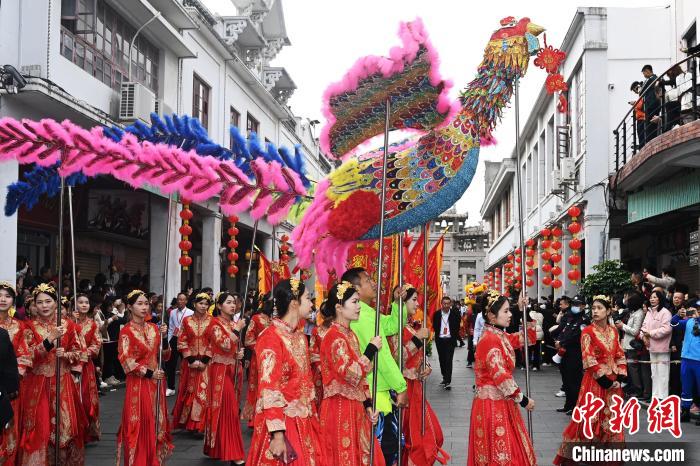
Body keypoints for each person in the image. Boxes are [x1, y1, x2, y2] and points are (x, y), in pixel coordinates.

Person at [247, 278, 323, 466]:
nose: (312, 304)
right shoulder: (270, 337)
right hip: (283, 422)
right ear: (294, 302)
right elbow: (269, 387)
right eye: (308, 298)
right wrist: (278, 435)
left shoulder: (299, 336)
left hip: (305, 420)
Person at [343, 268, 408, 466]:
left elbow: (392, 325)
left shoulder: (368, 312)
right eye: (368, 279)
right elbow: (383, 356)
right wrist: (401, 386)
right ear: (356, 288)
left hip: (376, 390)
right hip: (375, 393)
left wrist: (397, 303)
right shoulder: (362, 316)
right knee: (384, 450)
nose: (374, 282)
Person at [554, 296, 627, 465]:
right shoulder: (587, 331)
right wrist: (605, 381)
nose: (595, 311)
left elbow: (619, 354)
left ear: (608, 311)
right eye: (593, 308)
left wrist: (621, 377)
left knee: (611, 417)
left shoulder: (614, 331)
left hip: (614, 381)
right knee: (590, 417)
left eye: (599, 308)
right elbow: (588, 359)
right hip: (595, 382)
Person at [19, 283, 87, 465]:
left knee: (65, 430)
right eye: (39, 302)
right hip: (37, 385)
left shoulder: (68, 325)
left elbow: (80, 353)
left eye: (48, 301)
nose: (44, 305)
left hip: (63, 383)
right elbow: (27, 356)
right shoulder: (28, 327)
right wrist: (49, 340)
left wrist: (65, 354)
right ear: (34, 305)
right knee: (39, 430)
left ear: (56, 303)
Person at [468, 291, 537, 466]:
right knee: (502, 454)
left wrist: (524, 311)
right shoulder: (490, 339)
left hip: (502, 401)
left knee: (508, 450)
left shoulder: (499, 335)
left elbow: (527, 339)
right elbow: (500, 375)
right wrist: (522, 399)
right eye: (506, 311)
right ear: (491, 315)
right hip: (491, 405)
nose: (510, 314)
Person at [318, 281, 384, 466]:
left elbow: (361, 379)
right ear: (339, 307)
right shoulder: (333, 336)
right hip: (339, 407)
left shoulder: (349, 335)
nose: (358, 306)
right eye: (354, 302)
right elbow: (350, 373)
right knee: (344, 457)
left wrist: (368, 405)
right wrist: (370, 350)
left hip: (354, 407)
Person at [116, 289, 172, 466]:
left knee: (156, 421)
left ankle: (153, 460)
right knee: (140, 423)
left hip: (156, 383)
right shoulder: (126, 331)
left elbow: (166, 355)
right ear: (130, 307)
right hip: (138, 384)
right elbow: (125, 360)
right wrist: (148, 372)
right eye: (139, 304)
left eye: (146, 303)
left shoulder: (154, 328)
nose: (144, 307)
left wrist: (164, 337)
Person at [401, 286, 449, 466]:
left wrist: (425, 366)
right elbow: (397, 358)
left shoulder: (410, 325)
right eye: (413, 299)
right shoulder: (394, 327)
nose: (417, 303)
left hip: (416, 387)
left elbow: (417, 356)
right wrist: (416, 339)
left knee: (432, 433)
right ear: (401, 301)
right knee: (416, 438)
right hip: (404, 387)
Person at [203, 291, 247, 463]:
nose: (232, 305)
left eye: (234, 302)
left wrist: (238, 355)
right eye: (228, 302)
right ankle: (234, 453)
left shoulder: (232, 323)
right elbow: (225, 344)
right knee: (228, 410)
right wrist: (237, 330)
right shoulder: (215, 324)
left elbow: (233, 348)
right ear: (219, 306)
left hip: (232, 370)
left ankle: (218, 447)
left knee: (226, 410)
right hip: (219, 371)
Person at [171, 292, 215, 433]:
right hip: (189, 362)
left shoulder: (213, 321)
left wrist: (204, 360)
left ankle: (200, 425)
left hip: (206, 363)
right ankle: (188, 423)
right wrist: (190, 359)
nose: (203, 306)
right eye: (200, 303)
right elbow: (181, 340)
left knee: (203, 391)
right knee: (189, 390)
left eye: (206, 304)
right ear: (194, 304)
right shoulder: (186, 321)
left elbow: (214, 342)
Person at [0, 282, 30, 465]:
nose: (2, 299)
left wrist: (10, 380)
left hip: (9, 389)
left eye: (7, 296)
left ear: (13, 301)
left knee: (9, 436)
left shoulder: (20, 327)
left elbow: (24, 356)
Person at [551, 295, 588, 414]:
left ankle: (576, 407)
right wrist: (558, 341)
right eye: (574, 304)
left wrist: (561, 342)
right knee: (566, 380)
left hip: (575, 353)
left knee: (575, 382)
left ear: (583, 306)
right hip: (564, 352)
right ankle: (568, 405)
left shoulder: (584, 320)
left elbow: (577, 336)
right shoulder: (570, 317)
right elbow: (564, 331)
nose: (575, 307)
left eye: (578, 304)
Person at [74, 293, 102, 442]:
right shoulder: (68, 322)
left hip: (86, 367)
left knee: (87, 400)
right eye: (81, 302)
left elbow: (97, 345)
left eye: (86, 302)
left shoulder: (92, 324)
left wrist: (84, 353)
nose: (84, 305)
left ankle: (87, 432)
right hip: (70, 365)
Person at [242, 294, 273, 426]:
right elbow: (248, 339)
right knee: (258, 386)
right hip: (260, 358)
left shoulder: (279, 320)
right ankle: (255, 418)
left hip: (276, 359)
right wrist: (263, 349)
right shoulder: (257, 318)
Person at [640, 290, 672, 400]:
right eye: (651, 297)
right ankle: (655, 397)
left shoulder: (665, 312)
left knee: (663, 375)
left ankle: (663, 399)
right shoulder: (649, 312)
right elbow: (643, 327)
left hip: (662, 348)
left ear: (660, 298)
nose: (652, 299)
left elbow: (667, 329)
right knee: (654, 374)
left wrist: (650, 334)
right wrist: (643, 337)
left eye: (655, 297)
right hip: (651, 347)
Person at [616, 292, 646, 398]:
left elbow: (635, 331)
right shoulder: (633, 312)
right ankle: (634, 388)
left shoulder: (639, 314)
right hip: (628, 344)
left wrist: (622, 326)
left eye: (629, 301)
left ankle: (638, 390)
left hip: (633, 345)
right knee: (631, 368)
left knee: (633, 369)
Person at [165, 292, 194, 396]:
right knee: (170, 364)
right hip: (174, 338)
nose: (180, 301)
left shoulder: (191, 312)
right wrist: (168, 342)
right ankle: (171, 387)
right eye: (179, 299)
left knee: (186, 363)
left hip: (186, 340)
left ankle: (188, 387)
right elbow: (171, 328)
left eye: (183, 299)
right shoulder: (172, 312)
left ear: (186, 301)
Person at [432, 296, 461, 390]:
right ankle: (444, 377)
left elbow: (457, 326)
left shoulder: (455, 313)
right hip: (440, 340)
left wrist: (453, 336)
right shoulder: (436, 314)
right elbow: (435, 326)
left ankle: (448, 380)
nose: (446, 305)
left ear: (450, 304)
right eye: (444, 303)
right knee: (442, 360)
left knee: (449, 360)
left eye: (448, 303)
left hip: (450, 340)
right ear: (441, 304)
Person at [679, 298, 700, 422]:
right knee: (686, 387)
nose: (698, 311)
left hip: (698, 360)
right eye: (697, 309)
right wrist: (678, 315)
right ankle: (685, 411)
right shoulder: (689, 321)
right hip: (686, 359)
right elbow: (674, 324)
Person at [640, 64, 661, 142]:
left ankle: (651, 141)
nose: (644, 75)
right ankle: (652, 140)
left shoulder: (651, 79)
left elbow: (641, 92)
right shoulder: (656, 78)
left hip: (652, 104)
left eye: (644, 73)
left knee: (651, 125)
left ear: (647, 71)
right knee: (651, 125)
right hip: (654, 104)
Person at [629, 81, 647, 148]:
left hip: (642, 118)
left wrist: (635, 104)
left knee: (641, 134)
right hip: (640, 118)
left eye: (634, 90)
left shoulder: (643, 95)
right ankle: (641, 146)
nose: (635, 92)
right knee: (640, 135)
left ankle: (642, 146)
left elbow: (641, 106)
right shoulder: (641, 96)